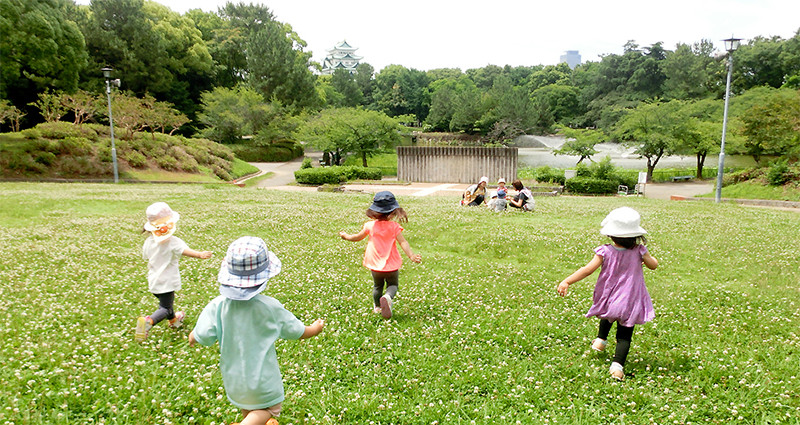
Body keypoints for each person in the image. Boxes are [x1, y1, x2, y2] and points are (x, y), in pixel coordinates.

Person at [189, 236, 325, 425]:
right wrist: (315, 328)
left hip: (234, 380)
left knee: (249, 408)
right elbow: (296, 331)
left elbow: (203, 334)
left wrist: (193, 336)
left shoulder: (217, 306)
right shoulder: (269, 307)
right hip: (263, 381)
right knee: (269, 409)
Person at [556, 207, 658, 380]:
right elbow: (653, 265)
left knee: (608, 314)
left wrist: (567, 281)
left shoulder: (604, 251)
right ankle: (617, 367)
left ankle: (600, 341)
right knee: (624, 336)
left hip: (609, 296)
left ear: (611, 234)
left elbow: (587, 270)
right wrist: (645, 257)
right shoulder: (639, 250)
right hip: (630, 300)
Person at [135, 202, 212, 342]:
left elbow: (146, 256)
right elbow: (185, 251)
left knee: (167, 305)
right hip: (167, 282)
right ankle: (148, 322)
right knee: (164, 308)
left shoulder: (148, 242)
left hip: (153, 281)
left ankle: (174, 321)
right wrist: (200, 254)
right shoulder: (173, 242)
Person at [339, 191, 422, 319]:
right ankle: (388, 297)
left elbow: (357, 237)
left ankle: (377, 307)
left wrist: (346, 236)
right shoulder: (394, 226)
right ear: (392, 212)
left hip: (375, 264)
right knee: (393, 285)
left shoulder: (369, 226)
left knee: (377, 286)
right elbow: (403, 242)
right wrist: (411, 255)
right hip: (391, 264)